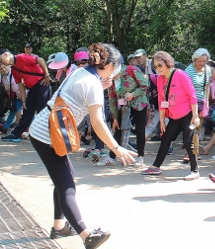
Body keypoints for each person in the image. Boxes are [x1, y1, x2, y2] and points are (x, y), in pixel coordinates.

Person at [28, 42, 136, 249]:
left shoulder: (80, 72)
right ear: (111, 65)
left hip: (46, 131)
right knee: (67, 186)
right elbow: (97, 123)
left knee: (66, 177)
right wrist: (116, 148)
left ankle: (59, 226)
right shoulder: (92, 84)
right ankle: (87, 236)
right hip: (48, 136)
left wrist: (103, 85)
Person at [141, 51, 200, 180]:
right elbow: (162, 100)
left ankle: (195, 170)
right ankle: (156, 167)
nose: (158, 69)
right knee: (165, 140)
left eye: (160, 65)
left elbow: (193, 96)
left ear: (168, 62)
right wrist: (162, 120)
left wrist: (195, 116)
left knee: (188, 142)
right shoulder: (160, 79)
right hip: (173, 116)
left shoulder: (181, 75)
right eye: (155, 67)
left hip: (187, 114)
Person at [0, 44, 53, 142]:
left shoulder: (21, 57)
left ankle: (47, 136)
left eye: (2, 59)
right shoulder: (13, 68)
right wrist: (23, 101)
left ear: (7, 55)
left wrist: (47, 75)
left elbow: (40, 60)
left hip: (42, 84)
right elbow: (20, 84)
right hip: (32, 88)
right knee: (27, 111)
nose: (3, 63)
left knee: (42, 111)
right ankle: (16, 134)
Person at [184, 48, 212, 154]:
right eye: (200, 61)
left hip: (201, 102)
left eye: (204, 61)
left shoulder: (207, 69)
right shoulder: (189, 70)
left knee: (198, 127)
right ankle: (189, 151)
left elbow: (208, 86)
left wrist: (207, 101)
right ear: (195, 59)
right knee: (189, 126)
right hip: (189, 102)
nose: (202, 63)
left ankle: (194, 150)